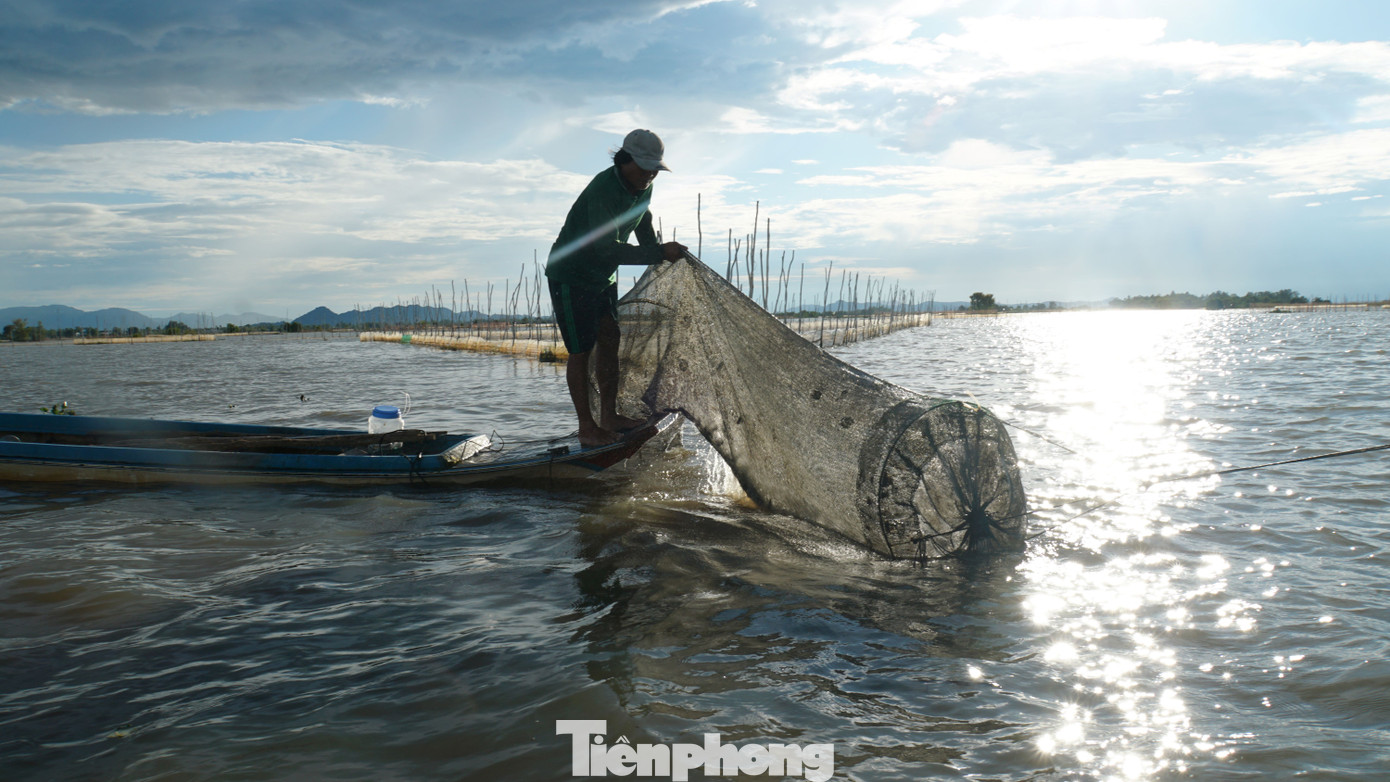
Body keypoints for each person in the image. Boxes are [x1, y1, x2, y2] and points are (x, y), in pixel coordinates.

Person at [546, 129, 688, 446]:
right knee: (581, 351)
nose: (650, 175)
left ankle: (609, 416)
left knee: (610, 339)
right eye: (644, 167)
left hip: (602, 278)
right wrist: (656, 253)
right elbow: (605, 249)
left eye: (655, 169)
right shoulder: (603, 190)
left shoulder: (643, 187)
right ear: (624, 161)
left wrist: (656, 250)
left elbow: (643, 217)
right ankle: (587, 428)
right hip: (572, 274)